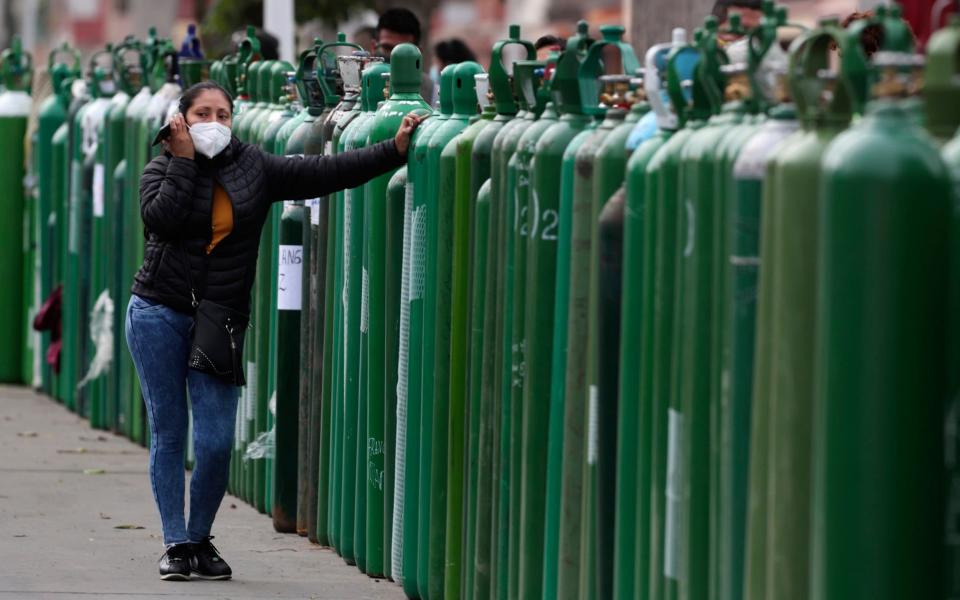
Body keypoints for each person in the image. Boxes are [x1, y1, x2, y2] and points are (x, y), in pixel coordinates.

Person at [126, 81, 424, 581]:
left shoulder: (254, 168)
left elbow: (325, 171)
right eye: (203, 113)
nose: (215, 123)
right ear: (181, 120)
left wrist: (391, 150)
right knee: (170, 432)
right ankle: (175, 543)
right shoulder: (160, 168)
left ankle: (200, 538)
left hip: (218, 319)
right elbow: (161, 219)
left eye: (224, 114)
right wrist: (181, 159)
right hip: (157, 312)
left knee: (218, 440)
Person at [376, 7, 435, 103]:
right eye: (387, 48)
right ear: (373, 46)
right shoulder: (358, 87)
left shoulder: (433, 94)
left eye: (404, 51)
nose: (394, 57)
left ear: (418, 53)